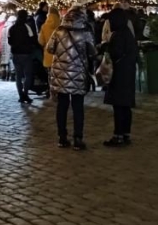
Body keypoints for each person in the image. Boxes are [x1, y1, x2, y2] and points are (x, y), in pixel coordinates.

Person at [46, 9, 96, 150]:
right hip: (78, 74)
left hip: (60, 74)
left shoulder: (59, 30)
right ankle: (78, 139)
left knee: (62, 106)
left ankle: (62, 138)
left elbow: (50, 48)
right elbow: (93, 52)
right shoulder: (85, 32)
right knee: (78, 107)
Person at [103, 9, 136, 146]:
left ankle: (118, 135)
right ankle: (126, 133)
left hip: (119, 74)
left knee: (118, 106)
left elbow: (115, 53)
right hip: (128, 73)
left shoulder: (118, 35)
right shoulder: (128, 33)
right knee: (126, 106)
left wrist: (106, 46)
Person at [8, 9, 38, 104]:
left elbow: (10, 41)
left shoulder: (12, 28)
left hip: (16, 54)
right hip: (26, 55)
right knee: (28, 76)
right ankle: (25, 94)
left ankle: (21, 95)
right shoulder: (27, 27)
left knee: (18, 76)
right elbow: (33, 40)